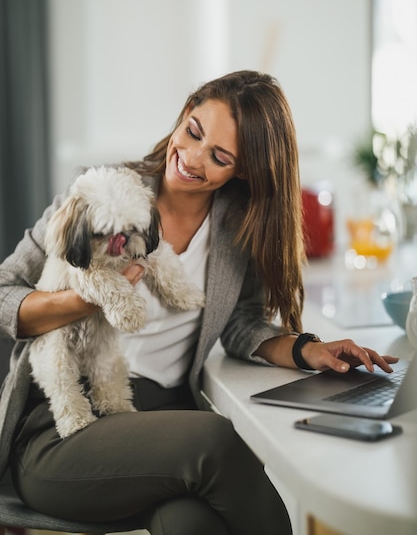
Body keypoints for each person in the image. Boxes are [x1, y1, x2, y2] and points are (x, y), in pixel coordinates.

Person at [0, 70, 398, 535]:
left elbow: (242, 323)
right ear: (185, 113)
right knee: (218, 440)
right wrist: (86, 298)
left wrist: (306, 349)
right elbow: (4, 291)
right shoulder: (100, 194)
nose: (189, 158)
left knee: (188, 522)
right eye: (192, 130)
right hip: (63, 426)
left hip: (157, 420)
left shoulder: (234, 228)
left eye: (218, 156)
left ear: (242, 170)